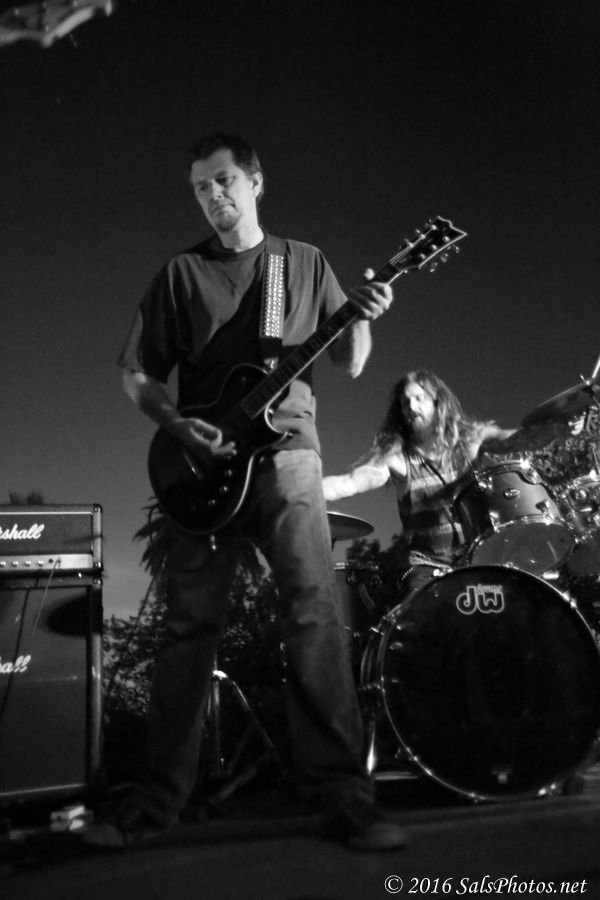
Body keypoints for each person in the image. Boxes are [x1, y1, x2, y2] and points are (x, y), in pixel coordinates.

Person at [86, 133, 406, 851]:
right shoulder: (182, 274)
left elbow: (351, 363)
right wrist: (179, 426)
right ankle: (152, 804)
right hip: (201, 468)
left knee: (314, 614)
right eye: (201, 187)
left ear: (256, 182)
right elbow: (137, 375)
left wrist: (363, 315)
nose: (213, 195)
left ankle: (344, 797)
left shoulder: (304, 262)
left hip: (289, 455)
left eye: (224, 180)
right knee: (187, 628)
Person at [323, 370, 517, 598]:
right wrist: (301, 490)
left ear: (437, 402)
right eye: (405, 403)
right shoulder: (397, 458)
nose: (412, 407)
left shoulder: (470, 441)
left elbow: (516, 439)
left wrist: (550, 425)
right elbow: (350, 483)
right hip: (427, 569)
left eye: (419, 398)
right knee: (427, 611)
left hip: (480, 561)